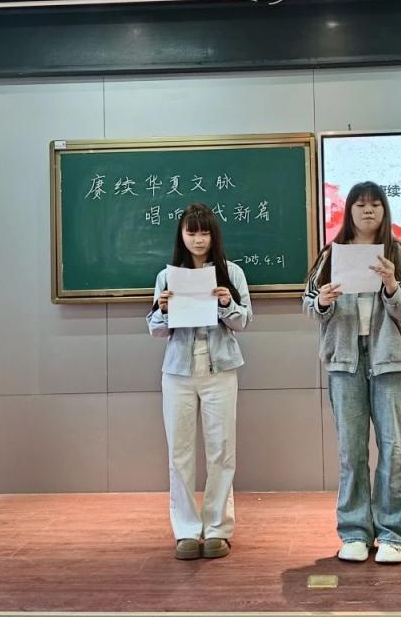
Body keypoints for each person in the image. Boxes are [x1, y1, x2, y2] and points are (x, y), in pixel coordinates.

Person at [303, 181, 401, 564]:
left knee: (394, 449)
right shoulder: (331, 254)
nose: (368, 210)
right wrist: (323, 301)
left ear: (384, 211)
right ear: (349, 211)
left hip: (389, 360)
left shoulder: (398, 252)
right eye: (360, 204)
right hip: (345, 361)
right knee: (351, 451)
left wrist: (391, 285)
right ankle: (355, 532)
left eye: (375, 204)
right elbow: (308, 304)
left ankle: (391, 534)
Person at [147, 202, 252, 560]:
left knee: (221, 449)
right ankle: (186, 531)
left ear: (213, 235)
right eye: (191, 232)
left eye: (205, 232)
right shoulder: (167, 277)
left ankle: (218, 529)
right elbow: (155, 330)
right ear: (181, 235)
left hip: (220, 369)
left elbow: (243, 321)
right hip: (178, 371)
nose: (198, 239)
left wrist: (226, 303)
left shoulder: (231, 272)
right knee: (179, 453)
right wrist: (162, 310)